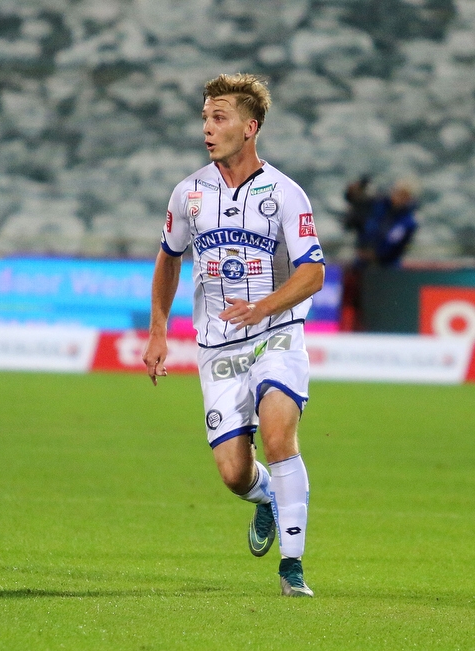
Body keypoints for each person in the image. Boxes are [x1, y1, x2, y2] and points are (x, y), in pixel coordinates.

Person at [142, 73, 324, 597]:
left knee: (278, 435)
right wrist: (159, 333)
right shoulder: (188, 193)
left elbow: (313, 272)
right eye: (204, 116)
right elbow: (168, 259)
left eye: (218, 118)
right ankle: (265, 498)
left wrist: (264, 307)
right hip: (216, 345)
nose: (207, 127)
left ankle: (293, 568)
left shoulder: (286, 193)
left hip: (277, 334)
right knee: (232, 474)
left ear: (250, 127)